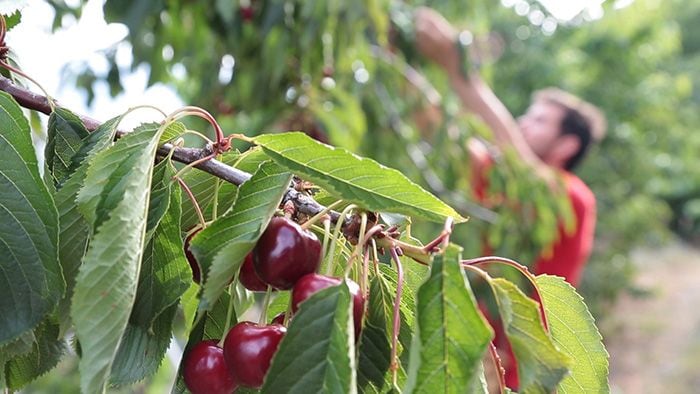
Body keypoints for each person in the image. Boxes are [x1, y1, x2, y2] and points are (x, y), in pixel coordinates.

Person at [413, 7, 607, 389]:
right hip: (473, 365)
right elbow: (436, 128)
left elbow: (517, 162)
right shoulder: (502, 181)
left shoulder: (573, 198)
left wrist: (459, 67)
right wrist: (399, 55)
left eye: (538, 120)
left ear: (568, 144)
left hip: (521, 378)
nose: (521, 122)